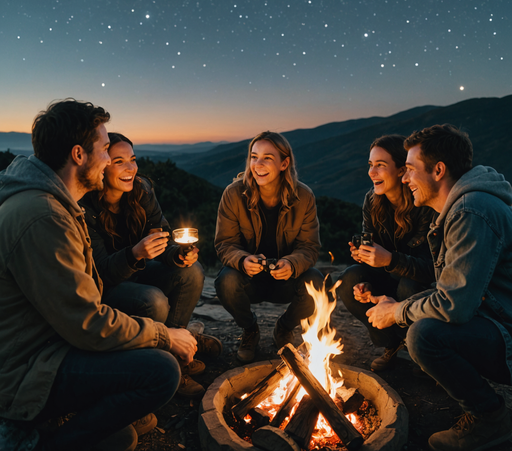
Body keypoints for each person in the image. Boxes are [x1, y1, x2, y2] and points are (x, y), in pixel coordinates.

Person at [0, 99, 197, 451]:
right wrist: (164, 335)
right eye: (106, 150)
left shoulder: (55, 204)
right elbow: (87, 323)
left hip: (47, 343)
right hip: (25, 371)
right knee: (161, 371)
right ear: (79, 154)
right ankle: (42, 443)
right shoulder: (45, 217)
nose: (109, 161)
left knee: (120, 435)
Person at [366, 124, 512, 451]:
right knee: (418, 319)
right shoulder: (462, 207)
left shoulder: (471, 211)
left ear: (439, 170)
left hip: (506, 331)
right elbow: (451, 289)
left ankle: (490, 419)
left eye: (411, 170)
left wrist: (396, 313)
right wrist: (394, 306)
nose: (404, 179)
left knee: (424, 335)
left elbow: (453, 305)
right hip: (496, 319)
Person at [79, 132, 222, 399]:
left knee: (192, 271)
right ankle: (161, 363)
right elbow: (101, 271)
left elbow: (163, 236)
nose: (131, 168)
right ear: (101, 165)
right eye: (119, 161)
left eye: (132, 160)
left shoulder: (141, 190)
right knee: (153, 300)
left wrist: (175, 256)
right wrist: (134, 254)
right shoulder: (85, 207)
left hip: (138, 271)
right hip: (106, 286)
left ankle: (178, 348)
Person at [214, 131, 324, 363]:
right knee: (226, 281)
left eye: (267, 158)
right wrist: (243, 260)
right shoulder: (233, 194)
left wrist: (292, 264)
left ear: (284, 163)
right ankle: (250, 329)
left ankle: (284, 327)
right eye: (254, 157)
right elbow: (225, 244)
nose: (258, 164)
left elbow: (309, 247)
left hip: (284, 280)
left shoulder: (303, 197)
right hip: (249, 279)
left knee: (316, 280)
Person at [338, 135, 436, 371]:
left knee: (408, 286)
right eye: (370, 165)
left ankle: (418, 349)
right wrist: (365, 260)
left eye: (380, 165)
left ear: (403, 170)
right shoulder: (372, 201)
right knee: (350, 278)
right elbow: (370, 245)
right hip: (386, 274)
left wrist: (389, 259)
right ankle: (391, 344)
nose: (372, 172)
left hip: (419, 283)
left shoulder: (424, 205)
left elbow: (430, 268)